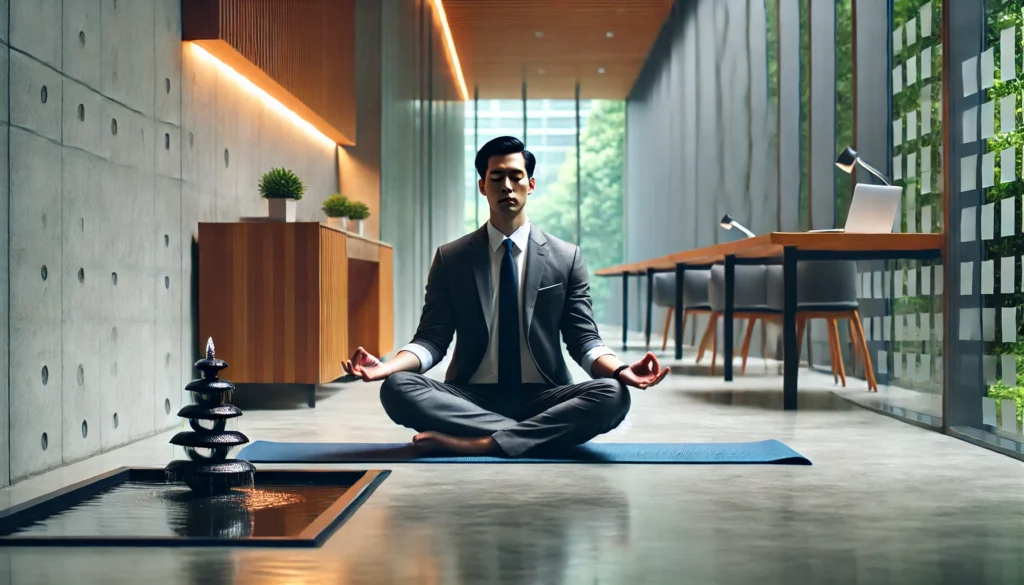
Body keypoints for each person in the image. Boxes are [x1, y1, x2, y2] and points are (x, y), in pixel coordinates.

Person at [342, 136, 669, 458]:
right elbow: (432, 339)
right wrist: (387, 367)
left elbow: (583, 340)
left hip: (546, 395)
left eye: (516, 176)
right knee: (398, 388)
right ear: (483, 186)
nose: (507, 186)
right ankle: (537, 435)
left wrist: (621, 370)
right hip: (470, 396)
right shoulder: (451, 258)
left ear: (532, 184)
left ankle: (481, 443)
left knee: (613, 394)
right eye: (497, 178)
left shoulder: (565, 257)